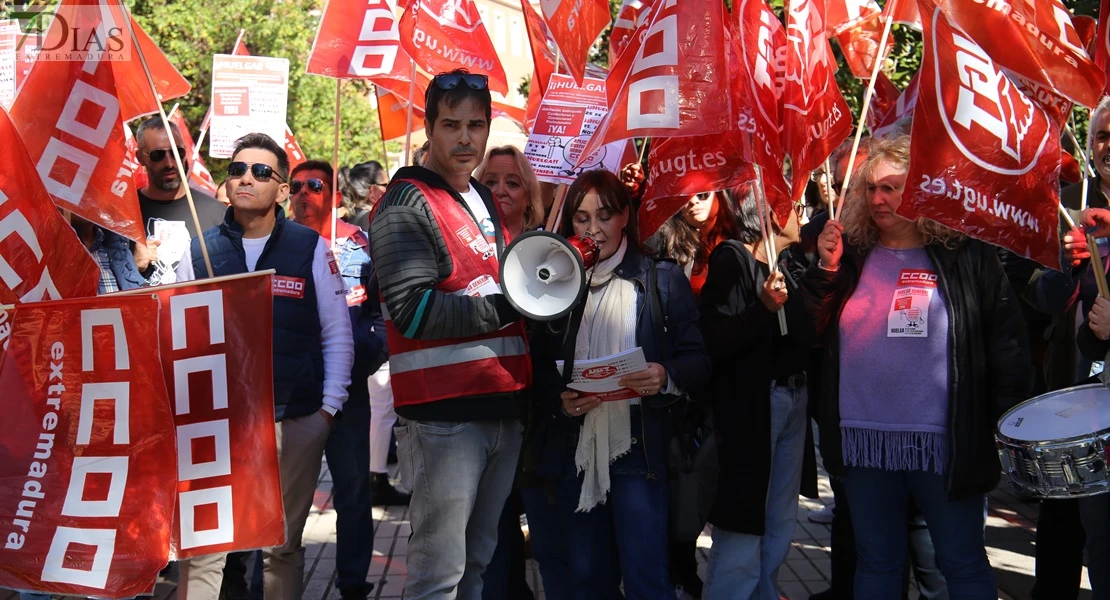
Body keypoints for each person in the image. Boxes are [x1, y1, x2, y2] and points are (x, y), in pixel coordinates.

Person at [801, 135, 1031, 597]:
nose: (878, 199)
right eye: (871, 189)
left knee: (961, 562)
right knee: (877, 564)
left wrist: (1007, 428)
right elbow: (810, 333)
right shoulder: (851, 253)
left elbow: (1007, 346)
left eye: (892, 187)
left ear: (926, 189)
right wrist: (825, 272)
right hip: (863, 441)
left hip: (946, 444)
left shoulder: (968, 256)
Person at [367, 69, 530, 599]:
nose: (465, 138)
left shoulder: (481, 198)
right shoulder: (405, 203)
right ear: (429, 128)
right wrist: (510, 305)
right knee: (438, 579)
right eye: (451, 124)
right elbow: (412, 312)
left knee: (477, 567)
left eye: (476, 125)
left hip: (499, 407)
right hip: (444, 419)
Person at [174, 133, 354, 600]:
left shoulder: (311, 248)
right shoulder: (198, 252)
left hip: (293, 421)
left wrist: (326, 413)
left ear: (282, 190)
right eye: (237, 170)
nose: (246, 179)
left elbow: (337, 334)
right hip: (217, 428)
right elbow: (174, 340)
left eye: (261, 171)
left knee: (284, 548)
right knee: (204, 551)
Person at [529, 169, 711, 598]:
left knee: (647, 579)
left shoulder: (660, 278)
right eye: (581, 218)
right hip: (578, 450)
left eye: (604, 216)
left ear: (625, 216)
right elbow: (538, 364)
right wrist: (560, 399)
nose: (593, 229)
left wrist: (664, 375)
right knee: (589, 580)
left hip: (639, 451)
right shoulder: (557, 281)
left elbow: (698, 360)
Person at [701, 192, 815, 600]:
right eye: (794, 207)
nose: (801, 215)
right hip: (754, 406)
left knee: (780, 519)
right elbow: (714, 337)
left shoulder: (785, 263)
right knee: (745, 519)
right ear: (769, 213)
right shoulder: (733, 259)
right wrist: (762, 307)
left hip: (793, 402)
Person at [288, 159, 383, 599]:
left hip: (349, 391)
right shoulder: (278, 245)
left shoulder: (362, 246)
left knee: (352, 489)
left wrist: (364, 354)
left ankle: (353, 581)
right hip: (295, 392)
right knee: (287, 494)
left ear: (337, 197)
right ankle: (267, 578)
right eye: (296, 187)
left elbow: (381, 313)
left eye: (315, 186)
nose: (304, 194)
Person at [476, 145, 547, 600]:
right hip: (489, 407)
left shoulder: (551, 245)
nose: (500, 190)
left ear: (530, 195)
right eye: (491, 181)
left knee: (545, 529)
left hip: (544, 414)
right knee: (494, 534)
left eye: (512, 181)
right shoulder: (472, 245)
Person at [133, 116, 226, 285]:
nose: (169, 163)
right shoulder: (124, 215)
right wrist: (133, 264)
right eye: (157, 155)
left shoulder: (217, 214)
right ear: (140, 158)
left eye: (177, 152)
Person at [477, 146, 544, 237]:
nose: (500, 192)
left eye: (512, 183)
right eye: (491, 183)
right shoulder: (460, 239)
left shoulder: (544, 247)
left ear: (529, 196)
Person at [344, 161, 390, 232]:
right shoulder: (374, 220)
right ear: (373, 190)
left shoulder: (349, 217)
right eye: (386, 185)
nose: (390, 189)